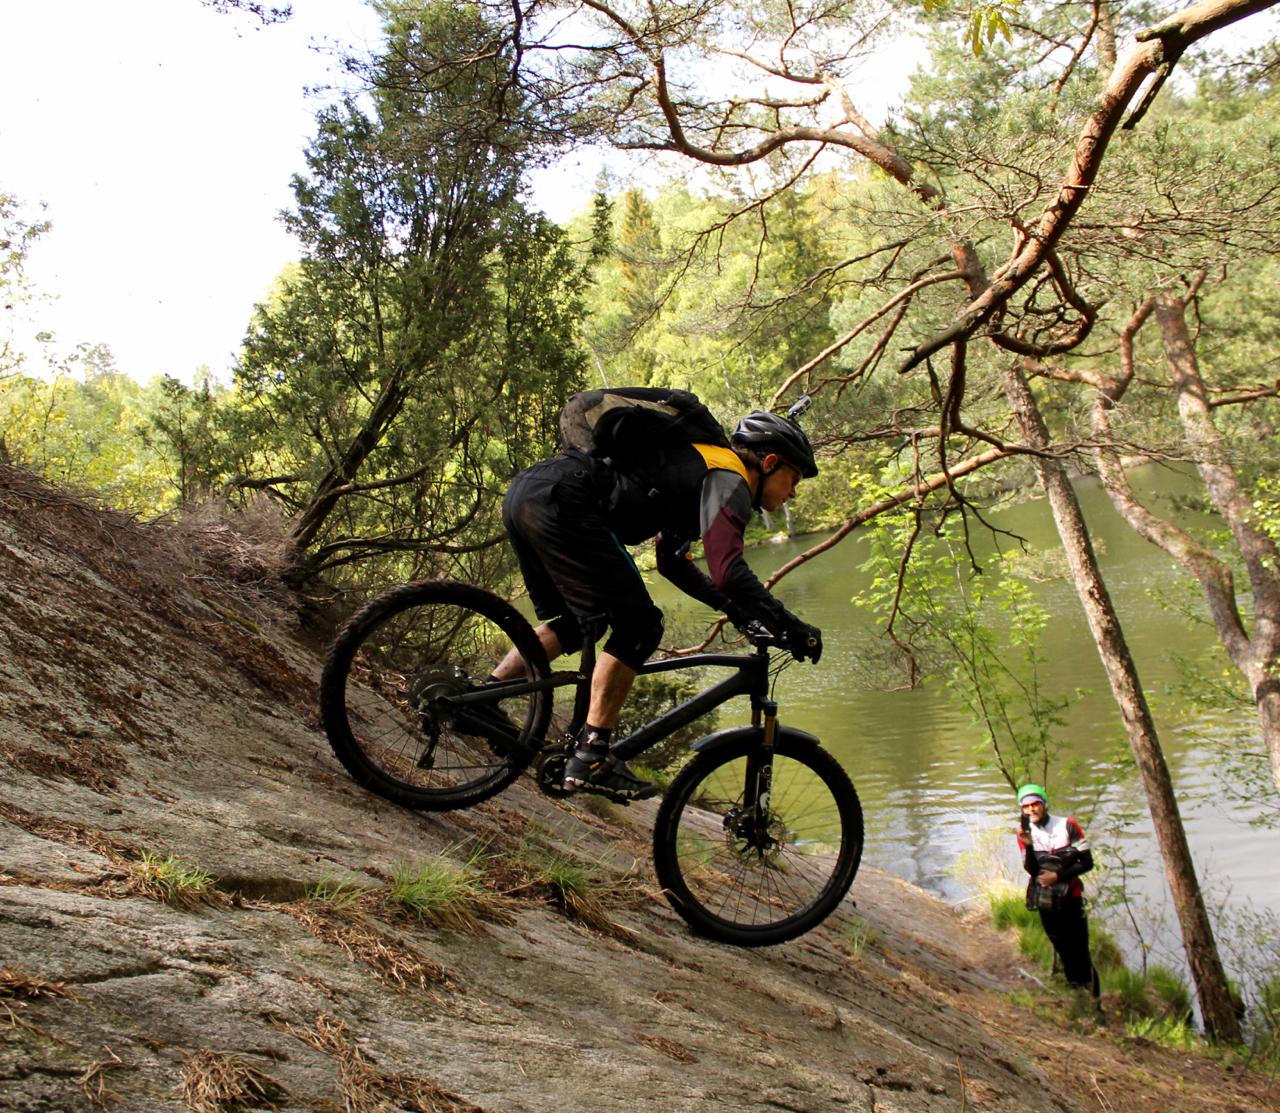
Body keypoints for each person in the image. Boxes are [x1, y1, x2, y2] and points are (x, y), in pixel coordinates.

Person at [490, 406, 823, 801]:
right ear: (769, 462)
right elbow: (728, 571)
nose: (794, 491)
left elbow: (671, 562)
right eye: (794, 477)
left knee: (577, 622)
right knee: (641, 625)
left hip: (531, 492)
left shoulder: (699, 467)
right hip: (566, 499)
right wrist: (790, 624)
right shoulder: (729, 478)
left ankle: (486, 697)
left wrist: (735, 611)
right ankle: (593, 755)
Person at [1016, 783, 1100, 1000]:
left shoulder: (1068, 825)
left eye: (1036, 804)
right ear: (1022, 810)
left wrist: (1058, 876)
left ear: (1044, 805)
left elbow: (1087, 863)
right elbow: (1032, 870)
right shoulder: (1024, 833)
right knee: (1061, 945)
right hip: (1045, 900)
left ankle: (1091, 991)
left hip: (1071, 897)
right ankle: (1075, 989)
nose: (1032, 810)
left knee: (1079, 945)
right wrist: (1029, 847)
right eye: (1027, 807)